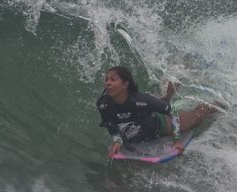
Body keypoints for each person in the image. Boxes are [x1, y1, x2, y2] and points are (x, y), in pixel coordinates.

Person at [97, 66, 226, 157]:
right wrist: (117, 139)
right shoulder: (103, 104)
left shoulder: (140, 101)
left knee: (196, 117)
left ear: (125, 85)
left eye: (113, 80)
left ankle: (219, 102)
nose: (107, 83)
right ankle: (168, 94)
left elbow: (173, 111)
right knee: (162, 100)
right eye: (106, 79)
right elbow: (110, 124)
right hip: (145, 119)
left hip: (162, 124)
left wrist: (176, 139)